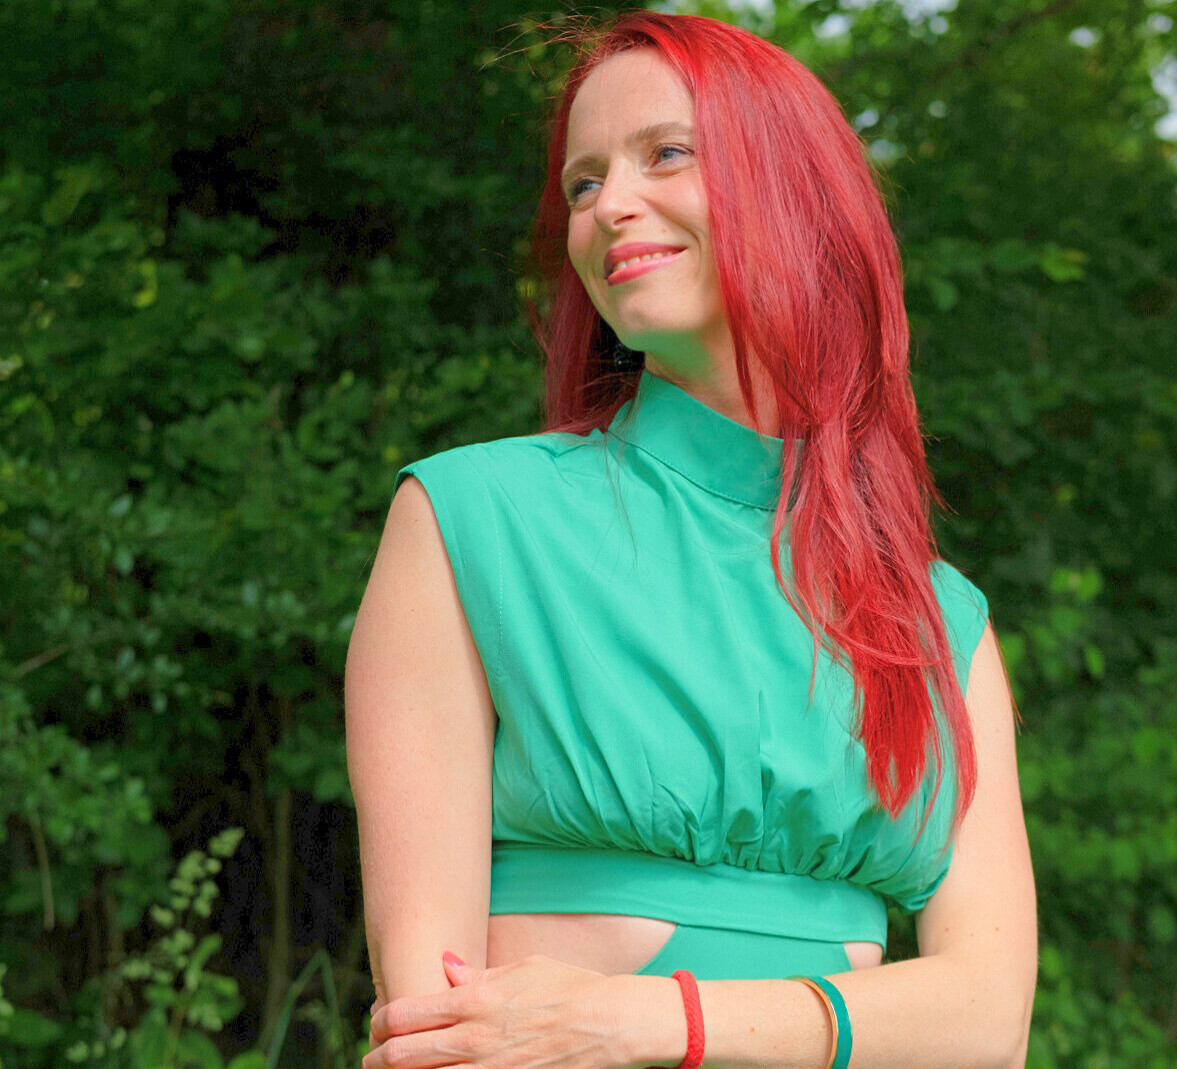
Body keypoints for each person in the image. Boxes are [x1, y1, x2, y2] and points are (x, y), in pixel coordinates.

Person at [346, 10, 1037, 1069]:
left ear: (797, 194)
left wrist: (640, 1020)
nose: (608, 205)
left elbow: (989, 1020)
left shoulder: (940, 618)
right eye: (583, 182)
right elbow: (434, 1027)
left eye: (664, 153)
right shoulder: (471, 518)